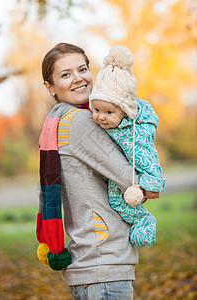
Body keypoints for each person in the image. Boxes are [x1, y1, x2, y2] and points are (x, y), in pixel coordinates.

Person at [36, 42, 148, 300]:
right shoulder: (80, 121)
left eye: (82, 69)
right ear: (50, 87)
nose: (78, 79)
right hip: (103, 264)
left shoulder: (57, 122)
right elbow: (134, 182)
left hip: (89, 263)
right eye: (65, 74)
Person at [89, 45, 165, 248]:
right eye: (96, 109)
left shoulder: (134, 133)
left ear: (125, 112)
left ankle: (144, 221)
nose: (100, 117)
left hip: (133, 180)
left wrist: (151, 183)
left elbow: (148, 156)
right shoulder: (108, 124)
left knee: (117, 201)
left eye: (108, 112)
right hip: (115, 171)